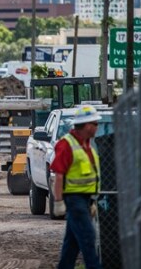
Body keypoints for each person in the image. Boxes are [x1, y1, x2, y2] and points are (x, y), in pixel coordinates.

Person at [50, 105, 102, 269]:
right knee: (87, 237)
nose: (97, 127)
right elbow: (58, 175)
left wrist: (91, 201)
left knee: (71, 244)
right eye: (95, 124)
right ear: (87, 126)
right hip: (74, 200)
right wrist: (58, 202)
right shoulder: (66, 144)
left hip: (84, 200)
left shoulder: (86, 145)